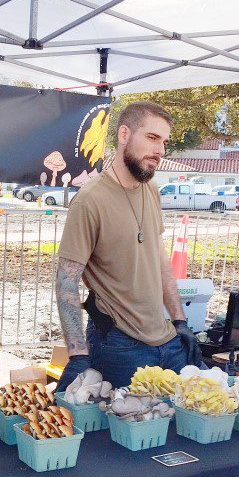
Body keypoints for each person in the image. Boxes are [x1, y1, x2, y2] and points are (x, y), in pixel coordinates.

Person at [54, 101, 202, 392]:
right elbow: (66, 280)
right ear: (124, 134)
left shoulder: (151, 189)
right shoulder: (90, 200)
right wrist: (78, 353)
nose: (160, 150)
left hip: (166, 338)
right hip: (118, 345)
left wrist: (180, 321)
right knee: (129, 431)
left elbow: (160, 260)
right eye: (152, 138)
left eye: (164, 142)